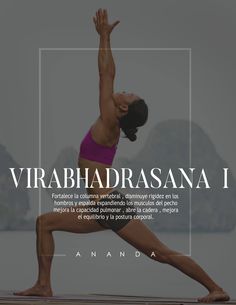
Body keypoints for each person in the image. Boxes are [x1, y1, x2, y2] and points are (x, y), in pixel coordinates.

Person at [14, 9, 230, 303]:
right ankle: (43, 284)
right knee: (44, 223)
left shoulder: (108, 121)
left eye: (128, 94)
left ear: (124, 109)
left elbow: (106, 73)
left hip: (110, 206)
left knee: (161, 254)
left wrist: (104, 37)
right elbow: (109, 77)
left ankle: (215, 288)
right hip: (101, 207)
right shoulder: (110, 123)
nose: (124, 91)